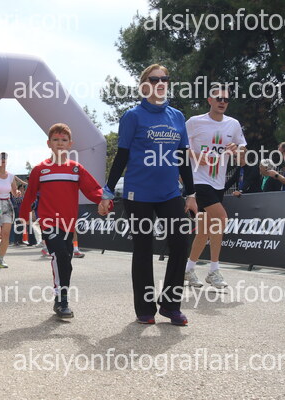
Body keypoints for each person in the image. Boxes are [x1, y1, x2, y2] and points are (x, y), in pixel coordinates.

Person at [103, 64, 197, 325]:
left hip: (169, 193)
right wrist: (107, 190)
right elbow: (122, 155)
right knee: (143, 248)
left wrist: (191, 193)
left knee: (180, 243)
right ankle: (145, 309)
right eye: (154, 79)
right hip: (139, 193)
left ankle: (170, 305)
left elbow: (183, 158)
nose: (161, 83)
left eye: (165, 79)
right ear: (144, 85)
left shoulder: (177, 116)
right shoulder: (132, 116)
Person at [20, 123, 109, 319]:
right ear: (48, 143)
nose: (59, 143)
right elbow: (29, 195)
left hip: (68, 223)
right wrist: (23, 217)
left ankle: (61, 296)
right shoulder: (40, 169)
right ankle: (62, 301)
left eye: (64, 140)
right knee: (59, 254)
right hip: (48, 221)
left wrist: (104, 202)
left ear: (70, 144)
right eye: (55, 140)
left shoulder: (76, 169)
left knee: (66, 260)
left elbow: (92, 189)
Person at [184, 85, 246, 289]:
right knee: (221, 218)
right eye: (218, 98)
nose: (222, 102)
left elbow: (243, 159)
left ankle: (188, 269)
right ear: (209, 100)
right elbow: (178, 147)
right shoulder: (195, 122)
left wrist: (237, 150)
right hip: (199, 181)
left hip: (218, 183)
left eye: (226, 99)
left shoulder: (233, 124)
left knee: (203, 232)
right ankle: (213, 270)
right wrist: (195, 155)